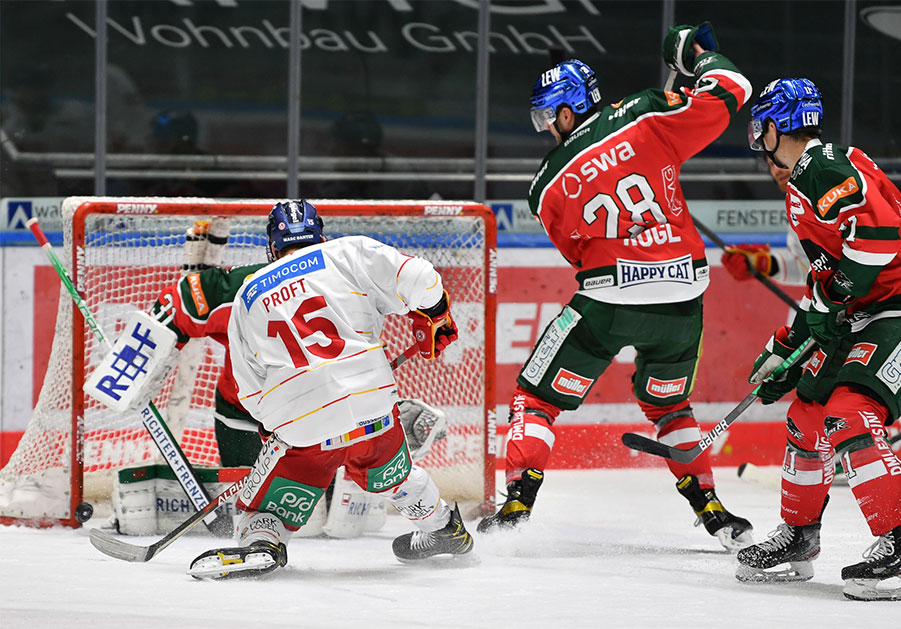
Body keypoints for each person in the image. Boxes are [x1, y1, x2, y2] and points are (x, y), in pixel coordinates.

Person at [477, 24, 756, 551]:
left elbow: (576, 253)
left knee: (535, 399)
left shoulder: (545, 183)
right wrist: (698, 55)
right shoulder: (647, 114)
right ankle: (713, 510)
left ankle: (517, 504)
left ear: (565, 111)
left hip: (608, 299)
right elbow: (733, 89)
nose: (546, 130)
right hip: (682, 296)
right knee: (671, 408)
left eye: (547, 117)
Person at [735, 78, 901, 601]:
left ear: (777, 125)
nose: (755, 138)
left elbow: (877, 239)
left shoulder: (824, 168)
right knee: (807, 414)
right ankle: (798, 535)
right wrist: (786, 349)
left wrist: (835, 299)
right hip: (872, 312)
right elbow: (826, 282)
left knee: (851, 410)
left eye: (758, 125)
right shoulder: (803, 184)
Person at [188, 200, 473, 579]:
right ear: (320, 234)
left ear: (272, 247)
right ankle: (443, 529)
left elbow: (249, 389)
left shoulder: (249, 293)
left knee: (259, 510)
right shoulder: (347, 251)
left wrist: (277, 427)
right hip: (374, 409)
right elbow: (422, 279)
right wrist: (435, 314)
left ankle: (264, 544)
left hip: (305, 425)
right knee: (400, 477)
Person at [722, 158, 901, 492]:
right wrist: (766, 263)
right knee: (841, 366)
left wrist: (880, 278)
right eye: (770, 165)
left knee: (886, 364)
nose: (778, 169)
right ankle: (893, 449)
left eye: (783, 162)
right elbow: (812, 269)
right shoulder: (800, 212)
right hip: (864, 309)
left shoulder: (850, 194)